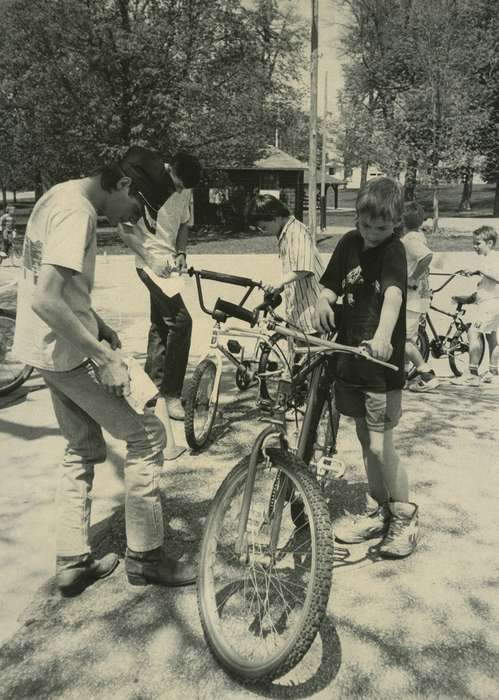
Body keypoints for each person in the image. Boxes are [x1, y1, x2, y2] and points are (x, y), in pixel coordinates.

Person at [12, 146, 197, 596]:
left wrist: (96, 321)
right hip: (67, 354)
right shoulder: (79, 215)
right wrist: (102, 354)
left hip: (42, 347)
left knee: (80, 449)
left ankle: (72, 560)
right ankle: (147, 557)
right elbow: (46, 298)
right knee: (148, 436)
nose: (134, 217)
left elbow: (54, 288)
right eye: (137, 206)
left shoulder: (58, 195)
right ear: (124, 185)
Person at [314, 177, 419, 559]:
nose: (372, 234)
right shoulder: (347, 243)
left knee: (380, 445)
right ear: (357, 219)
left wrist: (384, 336)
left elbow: (392, 297)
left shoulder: (394, 251)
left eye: (382, 227)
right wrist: (323, 300)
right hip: (349, 359)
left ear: (395, 225)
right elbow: (328, 283)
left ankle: (404, 516)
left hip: (379, 363)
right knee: (364, 441)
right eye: (366, 226)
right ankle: (378, 509)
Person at [118, 152, 202, 421]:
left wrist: (181, 253)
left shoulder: (185, 189)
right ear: (168, 170)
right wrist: (151, 261)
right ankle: (171, 395)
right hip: (149, 265)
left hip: (170, 265)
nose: (178, 191)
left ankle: (149, 391)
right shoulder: (144, 183)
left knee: (161, 324)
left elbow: (184, 225)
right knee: (181, 321)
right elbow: (124, 227)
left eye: (183, 188)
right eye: (176, 185)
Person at [451, 225, 499, 386]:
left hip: (491, 304)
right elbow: (485, 286)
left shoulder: (494, 257)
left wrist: (479, 269)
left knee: (473, 331)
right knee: (491, 336)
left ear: (490, 243)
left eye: (478, 243)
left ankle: (472, 373)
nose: (474, 246)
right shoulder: (487, 260)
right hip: (490, 303)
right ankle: (494, 371)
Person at [400, 201, 439, 392]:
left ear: (401, 220)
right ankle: (402, 378)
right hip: (417, 298)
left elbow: (427, 256)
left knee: (405, 341)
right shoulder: (418, 235)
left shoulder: (410, 239)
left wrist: (413, 277)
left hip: (412, 297)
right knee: (406, 339)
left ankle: (428, 375)